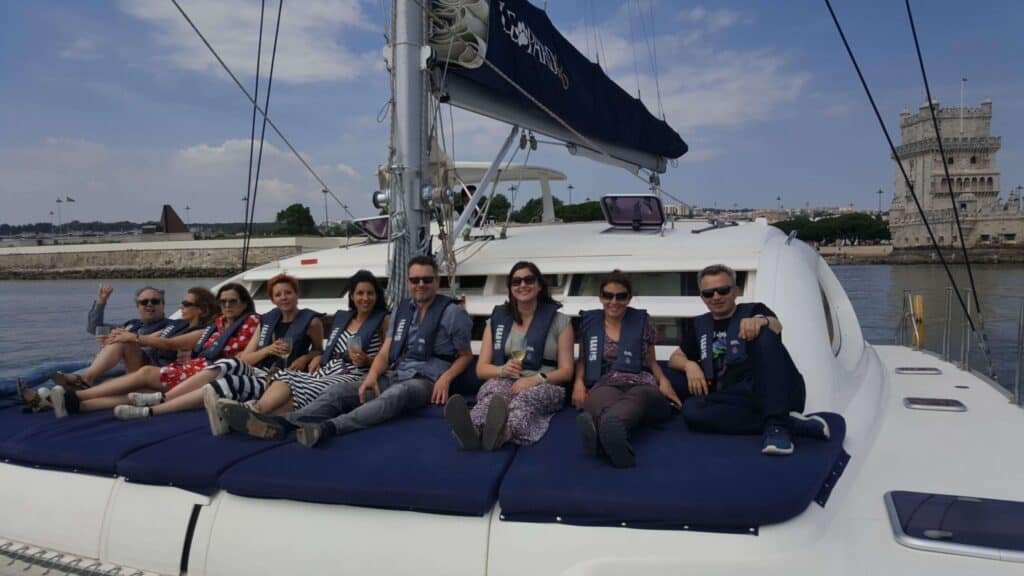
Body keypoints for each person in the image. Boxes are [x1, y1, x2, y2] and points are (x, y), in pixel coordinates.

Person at [228, 255, 473, 448]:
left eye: (427, 280)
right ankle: (282, 423)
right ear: (408, 282)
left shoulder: (453, 314)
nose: (420, 285)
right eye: (415, 280)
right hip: (396, 372)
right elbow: (386, 351)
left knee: (395, 396)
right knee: (338, 392)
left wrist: (446, 378)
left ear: (437, 281)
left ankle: (330, 428)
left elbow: (465, 355)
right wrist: (372, 377)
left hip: (426, 379)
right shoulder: (402, 310)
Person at [669, 264, 829, 456]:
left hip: (769, 389)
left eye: (723, 290)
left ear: (735, 291)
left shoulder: (755, 310)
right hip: (732, 398)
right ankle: (788, 422)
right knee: (692, 411)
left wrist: (761, 321)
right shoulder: (699, 325)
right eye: (709, 293)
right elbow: (674, 358)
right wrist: (689, 365)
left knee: (765, 334)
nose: (716, 297)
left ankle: (777, 426)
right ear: (702, 297)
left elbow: (776, 326)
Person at [218, 270, 388, 437]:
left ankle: (255, 415)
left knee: (309, 388)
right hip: (328, 369)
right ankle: (258, 414)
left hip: (353, 374)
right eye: (360, 293)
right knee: (287, 375)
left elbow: (388, 358)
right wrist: (318, 357)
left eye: (370, 293)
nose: (365, 298)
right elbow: (330, 351)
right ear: (352, 296)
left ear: (377, 295)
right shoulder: (345, 318)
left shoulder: (383, 320)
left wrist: (366, 359)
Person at [48, 284, 259, 418]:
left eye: (233, 301)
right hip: (183, 369)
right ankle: (76, 404)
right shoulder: (214, 328)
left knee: (142, 376)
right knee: (137, 391)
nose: (227, 305)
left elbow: (169, 343)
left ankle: (79, 392)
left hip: (193, 372)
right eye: (223, 302)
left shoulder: (196, 327)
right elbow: (174, 343)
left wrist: (134, 338)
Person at [444, 261, 574, 450]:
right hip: (507, 379)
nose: (523, 285)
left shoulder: (561, 322)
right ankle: (471, 429)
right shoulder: (496, 321)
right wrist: (502, 369)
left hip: (546, 383)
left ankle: (504, 432)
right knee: (493, 396)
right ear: (510, 289)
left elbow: (567, 371)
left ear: (539, 286)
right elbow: (481, 369)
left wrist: (537, 379)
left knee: (524, 401)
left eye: (529, 280)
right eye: (516, 282)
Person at [184, 274, 324, 434]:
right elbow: (245, 359)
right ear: (272, 300)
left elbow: (319, 349)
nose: (284, 298)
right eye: (278, 294)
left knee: (227, 383)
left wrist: (305, 358)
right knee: (226, 368)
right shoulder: (268, 320)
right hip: (260, 371)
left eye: (288, 293)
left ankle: (234, 416)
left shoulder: (312, 322)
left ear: (296, 294)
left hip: (286, 377)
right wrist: (268, 350)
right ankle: (161, 401)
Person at [573, 270, 681, 468]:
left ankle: (604, 431)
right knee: (598, 398)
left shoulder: (643, 322)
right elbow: (583, 360)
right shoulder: (588, 324)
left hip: (641, 381)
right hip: (607, 381)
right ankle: (610, 432)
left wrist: (664, 382)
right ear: (600, 297)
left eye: (621, 296)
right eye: (608, 295)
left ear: (629, 298)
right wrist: (578, 383)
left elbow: (652, 360)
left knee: (637, 397)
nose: (614, 301)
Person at [49, 285, 179, 389]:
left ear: (163, 305)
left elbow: (162, 345)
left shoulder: (171, 326)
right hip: (107, 360)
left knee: (70, 377)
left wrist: (122, 340)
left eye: (155, 301)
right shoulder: (132, 324)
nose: (149, 304)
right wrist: (101, 301)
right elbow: (94, 328)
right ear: (138, 307)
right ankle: (31, 388)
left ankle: (37, 395)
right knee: (50, 368)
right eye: (144, 302)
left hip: (133, 366)